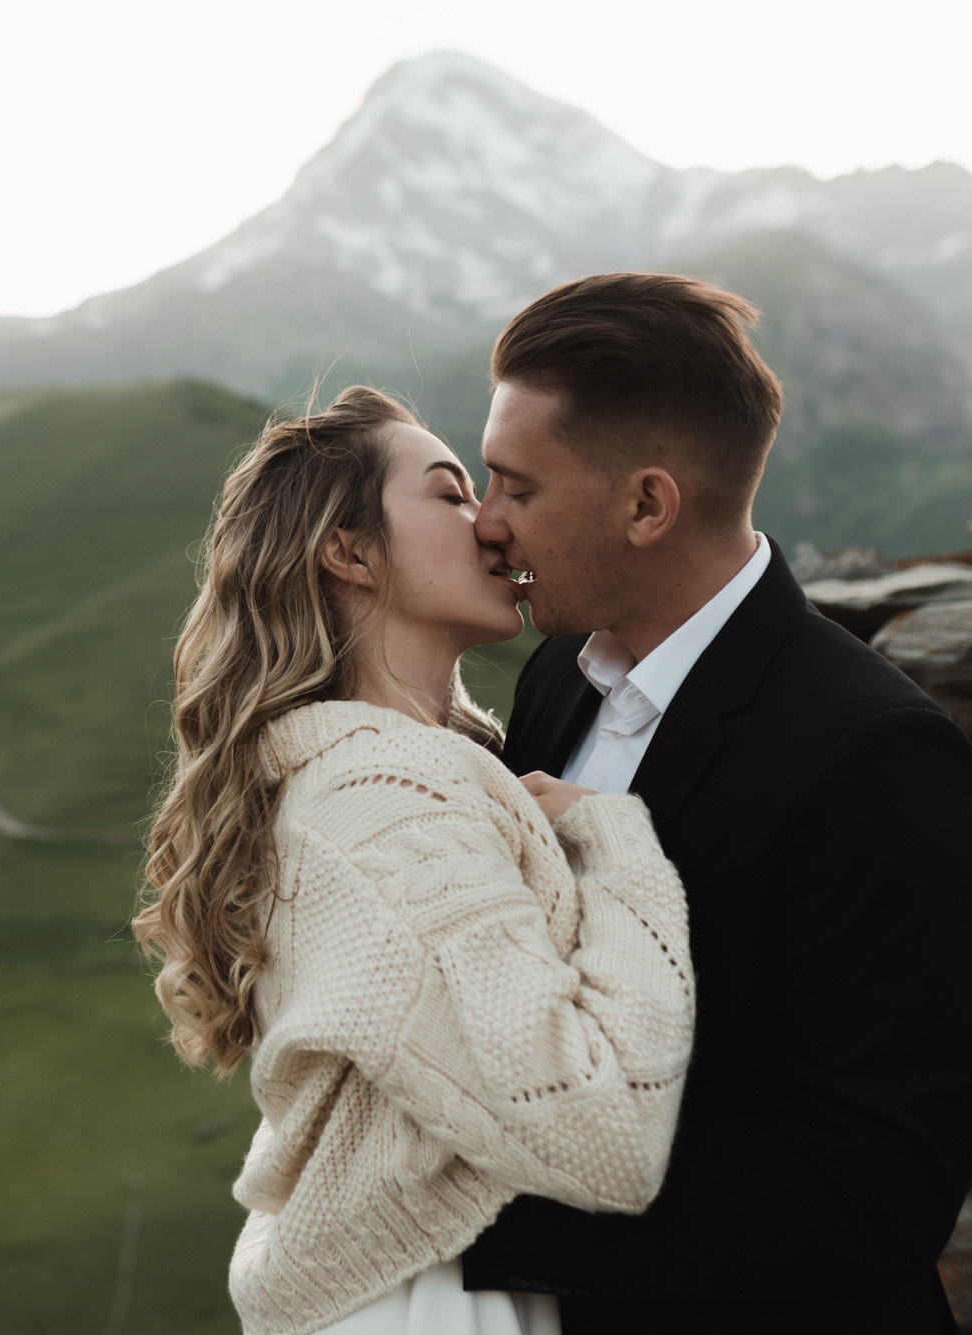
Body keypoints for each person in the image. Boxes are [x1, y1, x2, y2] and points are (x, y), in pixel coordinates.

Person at [460, 273, 972, 1334]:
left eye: (516, 488)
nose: (487, 526)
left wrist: (478, 1203)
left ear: (646, 505)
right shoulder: (553, 674)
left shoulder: (874, 757)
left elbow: (873, 1185)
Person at [134, 386, 698, 1335]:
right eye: (448, 494)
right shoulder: (379, 797)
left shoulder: (377, 774)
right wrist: (617, 843)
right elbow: (602, 1132)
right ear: (350, 551)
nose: (489, 523)